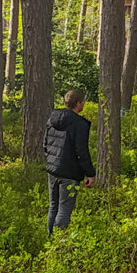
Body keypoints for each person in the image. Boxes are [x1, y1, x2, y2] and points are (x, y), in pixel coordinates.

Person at [44, 89, 95, 234]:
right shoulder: (80, 124)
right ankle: (58, 244)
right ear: (78, 103)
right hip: (69, 173)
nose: (84, 104)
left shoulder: (52, 118)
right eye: (83, 101)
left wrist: (49, 160)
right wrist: (90, 174)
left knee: (53, 206)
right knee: (64, 208)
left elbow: (45, 142)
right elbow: (82, 151)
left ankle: (50, 238)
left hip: (52, 169)